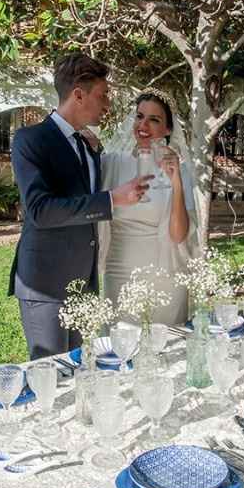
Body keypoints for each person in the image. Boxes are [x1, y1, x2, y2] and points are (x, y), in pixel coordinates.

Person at [9, 53, 152, 359]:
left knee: (78, 371)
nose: (107, 105)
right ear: (78, 94)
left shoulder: (87, 146)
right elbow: (40, 211)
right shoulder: (30, 139)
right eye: (102, 96)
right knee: (49, 373)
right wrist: (112, 200)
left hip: (82, 283)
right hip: (45, 284)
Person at [100, 89, 198, 324]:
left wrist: (175, 180)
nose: (143, 124)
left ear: (168, 129)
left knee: (167, 352)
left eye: (154, 119)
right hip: (118, 272)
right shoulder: (112, 164)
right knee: (121, 348)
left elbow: (178, 236)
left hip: (165, 275)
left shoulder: (181, 171)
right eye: (139, 116)